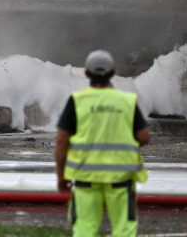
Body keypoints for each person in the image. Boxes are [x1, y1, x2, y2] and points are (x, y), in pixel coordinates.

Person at [55, 50, 151, 237]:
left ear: (87, 73)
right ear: (113, 73)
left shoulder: (77, 101)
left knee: (84, 228)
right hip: (121, 180)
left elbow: (61, 141)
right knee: (124, 229)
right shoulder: (126, 101)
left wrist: (61, 176)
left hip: (85, 179)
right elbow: (144, 137)